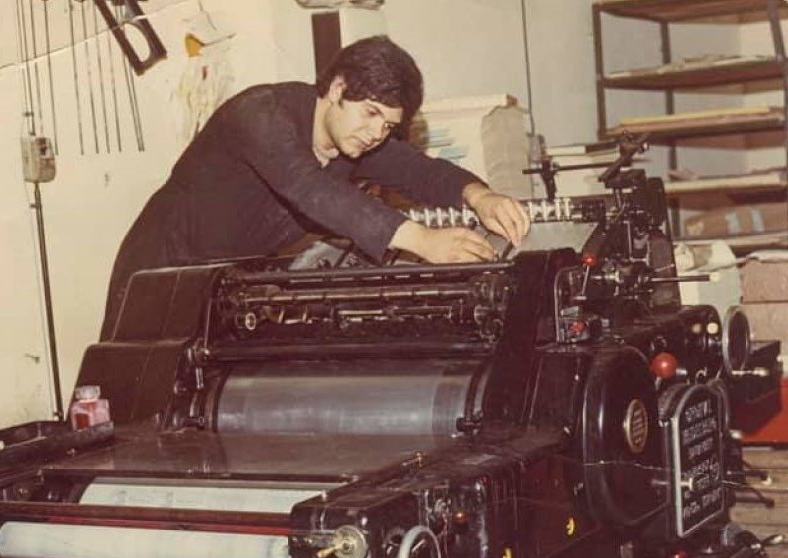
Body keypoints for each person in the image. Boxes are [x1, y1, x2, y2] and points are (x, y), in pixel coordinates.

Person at [99, 35, 530, 341]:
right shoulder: (262, 115)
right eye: (370, 113)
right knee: (131, 408)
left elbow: (422, 172)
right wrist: (423, 241)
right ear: (338, 89)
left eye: (388, 125)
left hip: (228, 286)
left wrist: (481, 196)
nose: (376, 133)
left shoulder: (355, 139)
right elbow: (309, 188)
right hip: (160, 272)